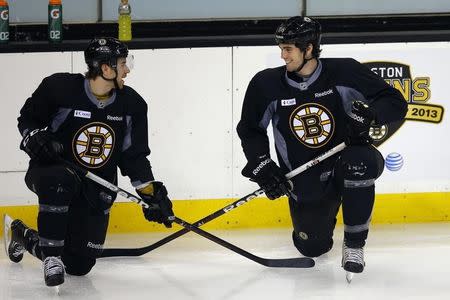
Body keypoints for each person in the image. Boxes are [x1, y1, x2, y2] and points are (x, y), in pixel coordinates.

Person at [236, 16, 407, 278]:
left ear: (309, 49)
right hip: (305, 177)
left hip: (344, 160)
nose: (282, 55)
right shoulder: (265, 84)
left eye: (288, 48)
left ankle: (354, 245)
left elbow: (395, 102)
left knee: (359, 162)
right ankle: (319, 221)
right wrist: (263, 164)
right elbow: (250, 129)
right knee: (312, 247)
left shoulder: (345, 72)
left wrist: (371, 114)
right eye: (281, 48)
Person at [5, 37, 174, 287]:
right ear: (106, 68)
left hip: (97, 184)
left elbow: (133, 156)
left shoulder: (133, 105)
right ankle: (51, 257)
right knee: (59, 180)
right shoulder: (59, 89)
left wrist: (151, 194)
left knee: (80, 265)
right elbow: (27, 119)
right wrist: (34, 137)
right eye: (122, 63)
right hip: (52, 171)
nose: (127, 70)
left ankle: (21, 234)